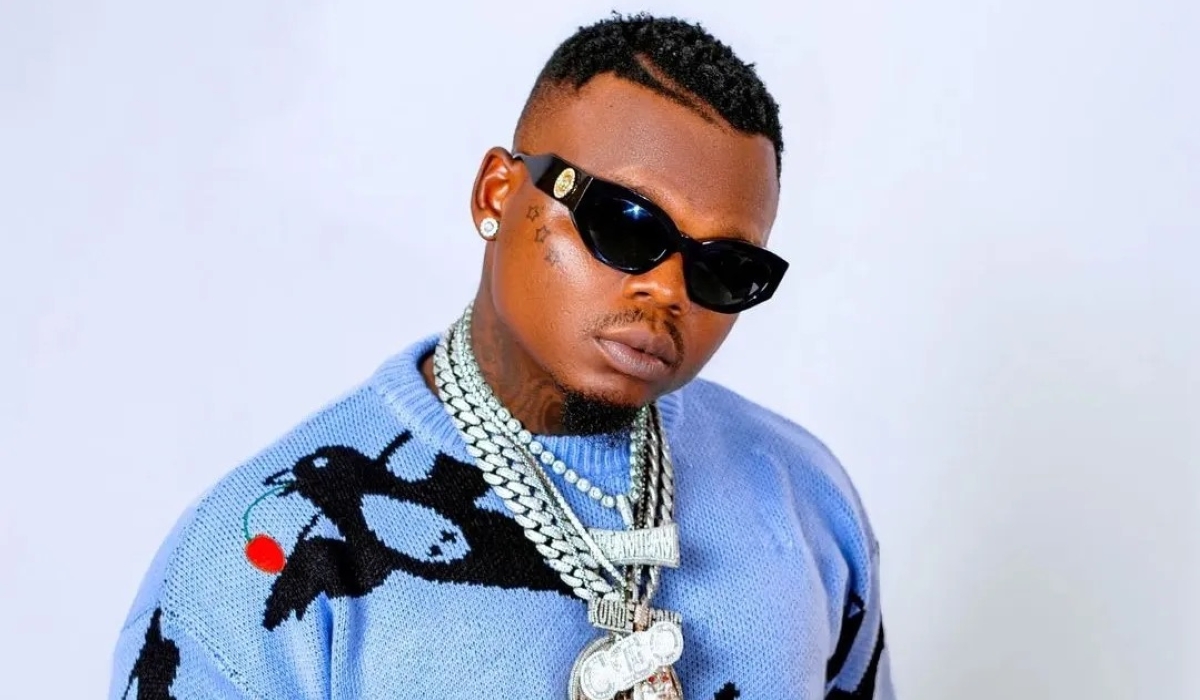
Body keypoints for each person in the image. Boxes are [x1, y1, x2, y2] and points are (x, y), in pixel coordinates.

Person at [109, 12, 894, 700]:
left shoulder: (802, 498)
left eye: (726, 269)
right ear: (496, 193)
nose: (667, 290)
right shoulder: (263, 553)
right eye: (624, 224)